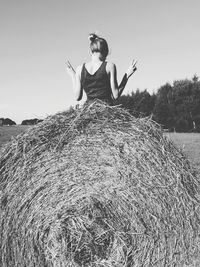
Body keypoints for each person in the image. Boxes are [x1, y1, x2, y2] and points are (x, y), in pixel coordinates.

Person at [66, 33, 137, 105]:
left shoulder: (79, 69)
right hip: (106, 111)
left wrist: (73, 75)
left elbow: (77, 97)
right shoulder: (110, 66)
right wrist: (126, 75)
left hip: (89, 111)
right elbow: (115, 95)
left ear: (90, 52)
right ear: (106, 52)